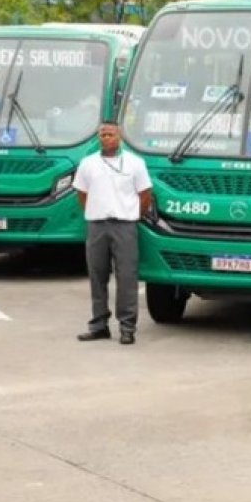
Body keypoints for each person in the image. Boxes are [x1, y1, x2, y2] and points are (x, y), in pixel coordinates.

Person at [72, 120, 152, 345]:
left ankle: (127, 327)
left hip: (125, 225)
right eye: (102, 134)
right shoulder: (88, 163)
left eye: (110, 134)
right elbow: (81, 194)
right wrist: (95, 210)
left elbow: (145, 193)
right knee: (97, 276)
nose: (105, 138)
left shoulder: (135, 163)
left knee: (126, 277)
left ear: (120, 138)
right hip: (97, 226)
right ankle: (99, 325)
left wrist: (133, 214)